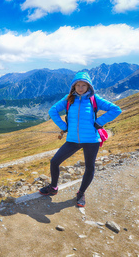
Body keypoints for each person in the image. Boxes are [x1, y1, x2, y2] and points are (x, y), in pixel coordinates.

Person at [39, 72, 122, 207]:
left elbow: (116, 109)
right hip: (72, 140)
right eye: (78, 85)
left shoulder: (94, 99)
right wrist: (63, 126)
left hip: (91, 140)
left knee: (89, 167)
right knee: (54, 161)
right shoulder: (69, 99)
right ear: (74, 86)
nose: (81, 88)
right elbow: (52, 111)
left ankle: (81, 193)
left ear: (89, 86)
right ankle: (53, 188)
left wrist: (99, 122)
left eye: (84, 85)